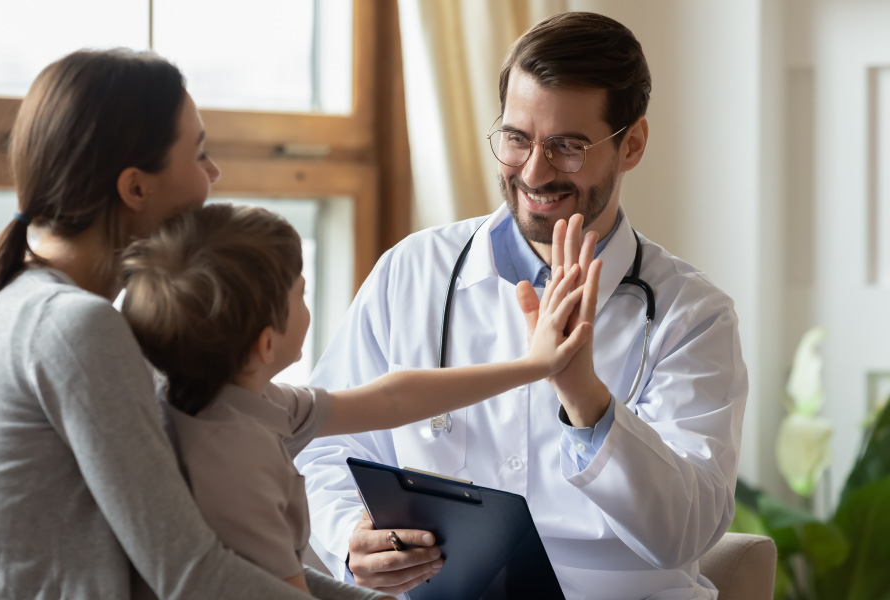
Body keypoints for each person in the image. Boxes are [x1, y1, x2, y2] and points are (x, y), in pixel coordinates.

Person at [294, 11, 748, 600]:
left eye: (567, 146)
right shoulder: (410, 272)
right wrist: (347, 536)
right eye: (516, 138)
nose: (534, 172)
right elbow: (327, 443)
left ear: (631, 144)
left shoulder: (692, 315)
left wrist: (585, 398)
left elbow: (685, 531)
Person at [0, 49, 332, 599]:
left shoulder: (31, 305)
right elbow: (190, 574)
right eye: (201, 154)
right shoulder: (73, 327)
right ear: (136, 187)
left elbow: (217, 560)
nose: (215, 175)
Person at [118, 202, 594, 598]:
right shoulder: (238, 466)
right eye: (301, 293)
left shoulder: (252, 402)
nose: (308, 302)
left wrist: (534, 366)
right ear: (266, 345)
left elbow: (391, 398)